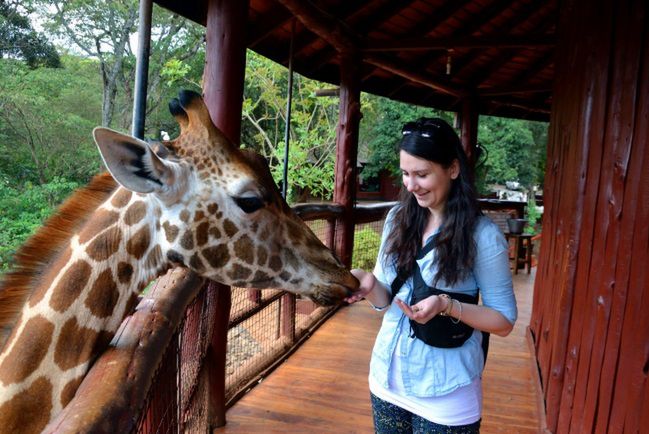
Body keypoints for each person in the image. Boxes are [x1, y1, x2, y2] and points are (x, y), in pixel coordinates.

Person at [345, 118, 517, 433]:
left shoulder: (483, 236)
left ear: (453, 169)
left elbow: (503, 321)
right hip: (386, 379)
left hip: (446, 393)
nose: (410, 186)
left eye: (422, 174)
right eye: (405, 174)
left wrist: (447, 305)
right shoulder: (398, 218)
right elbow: (388, 300)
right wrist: (368, 285)